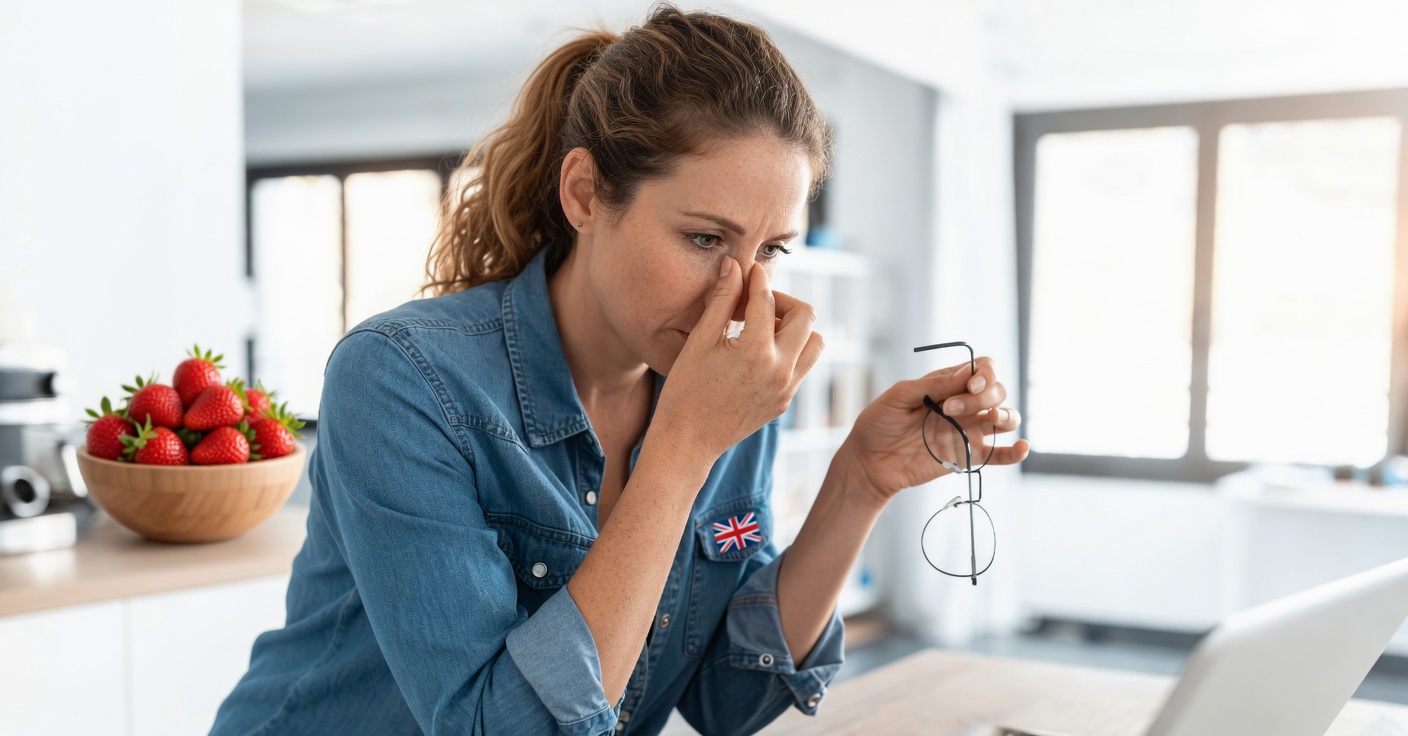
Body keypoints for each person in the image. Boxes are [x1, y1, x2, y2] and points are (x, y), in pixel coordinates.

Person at [211, 4, 1029, 735]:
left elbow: (726, 699)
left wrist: (860, 481)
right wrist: (682, 450)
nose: (740, 298)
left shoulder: (718, 382)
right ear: (585, 194)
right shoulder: (402, 380)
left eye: (771, 249)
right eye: (705, 239)